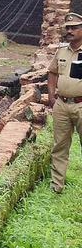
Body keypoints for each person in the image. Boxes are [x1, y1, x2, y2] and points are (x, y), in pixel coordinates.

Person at [47, 12, 82, 193]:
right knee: (60, 146)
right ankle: (56, 186)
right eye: (68, 28)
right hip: (61, 104)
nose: (70, 31)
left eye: (74, 27)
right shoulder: (62, 51)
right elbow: (52, 72)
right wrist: (52, 97)